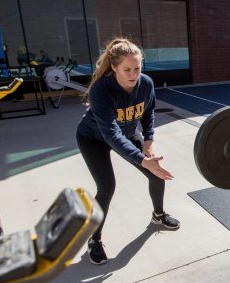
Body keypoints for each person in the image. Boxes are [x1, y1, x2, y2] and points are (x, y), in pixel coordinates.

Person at [76, 37, 180, 265]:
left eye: (137, 68)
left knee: (157, 174)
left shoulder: (146, 83)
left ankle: (158, 217)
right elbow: (111, 134)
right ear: (113, 68)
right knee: (106, 187)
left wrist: (149, 140)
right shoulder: (101, 91)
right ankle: (94, 239)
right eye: (127, 70)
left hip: (129, 132)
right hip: (94, 138)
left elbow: (149, 111)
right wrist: (143, 160)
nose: (133, 74)